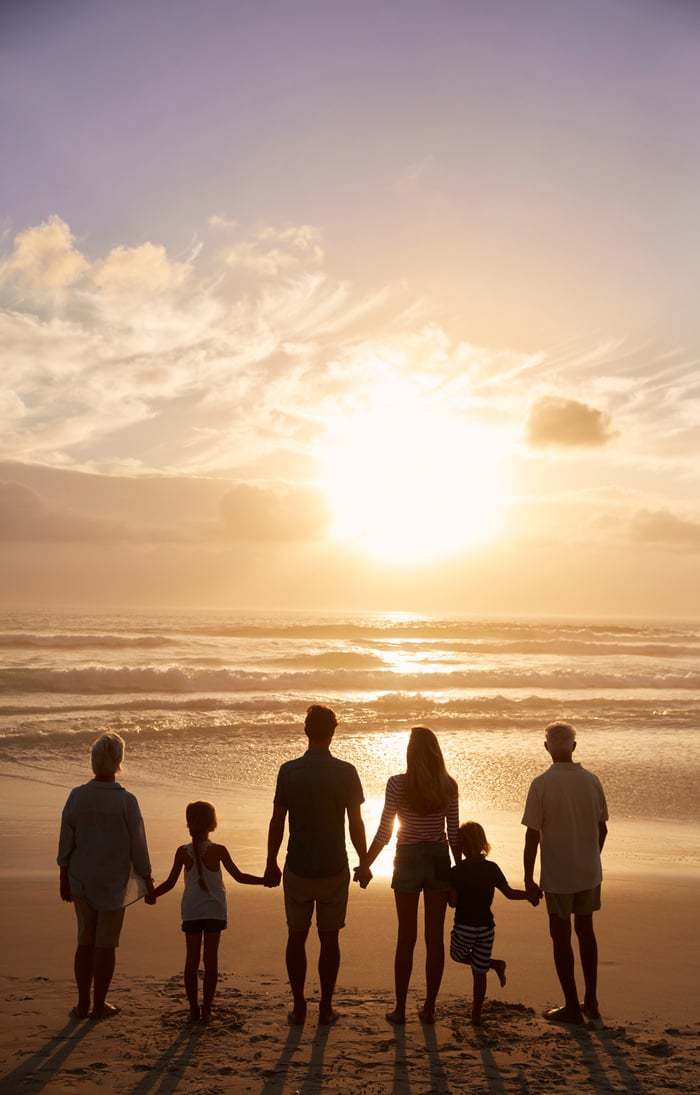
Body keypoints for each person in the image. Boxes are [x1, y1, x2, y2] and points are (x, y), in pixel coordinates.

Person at [264, 704, 368, 1026]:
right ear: (333, 732)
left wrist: (271, 862)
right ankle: (325, 1006)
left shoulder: (289, 771)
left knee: (296, 937)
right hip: (334, 866)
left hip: (297, 865)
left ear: (306, 731)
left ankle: (299, 1006)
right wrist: (364, 863)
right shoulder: (346, 772)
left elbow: (277, 821)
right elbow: (356, 824)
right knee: (329, 939)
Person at [356, 725, 460, 1026]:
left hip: (409, 858)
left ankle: (400, 1009)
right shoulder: (448, 785)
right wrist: (458, 875)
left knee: (406, 937)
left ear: (409, 753)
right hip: (439, 859)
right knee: (434, 939)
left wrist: (366, 864)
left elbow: (386, 830)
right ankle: (429, 1007)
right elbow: (453, 835)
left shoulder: (397, 784)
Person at [57, 731, 154, 1020]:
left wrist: (63, 874)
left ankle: (83, 1003)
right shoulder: (126, 800)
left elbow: (66, 839)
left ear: (93, 761)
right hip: (112, 881)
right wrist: (147, 879)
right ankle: (99, 1004)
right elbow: (139, 844)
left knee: (84, 940)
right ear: (119, 762)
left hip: (81, 877)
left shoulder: (77, 796)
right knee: (105, 943)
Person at [522, 721, 608, 1025]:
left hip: (558, 875)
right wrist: (590, 857)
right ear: (574, 746)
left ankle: (572, 1006)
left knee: (561, 936)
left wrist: (528, 878)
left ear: (547, 748)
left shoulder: (541, 784)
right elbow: (602, 827)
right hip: (588, 872)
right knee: (586, 931)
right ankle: (591, 1000)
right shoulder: (592, 781)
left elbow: (532, 835)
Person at [146, 801, 265, 1021]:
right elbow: (239, 877)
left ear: (189, 824)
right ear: (212, 824)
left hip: (191, 910)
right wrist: (264, 881)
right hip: (214, 910)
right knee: (211, 961)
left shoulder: (183, 852)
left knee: (191, 960)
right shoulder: (218, 850)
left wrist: (152, 894)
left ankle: (193, 1010)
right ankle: (207, 1009)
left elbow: (170, 883)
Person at [449, 821, 539, 1025]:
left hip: (464, 927)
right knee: (479, 972)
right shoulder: (492, 868)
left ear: (461, 846)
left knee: (456, 955)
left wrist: (448, 890)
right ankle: (476, 1015)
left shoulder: (457, 870)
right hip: (486, 929)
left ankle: (495, 964)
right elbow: (509, 894)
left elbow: (453, 903)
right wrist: (529, 895)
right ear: (482, 843)